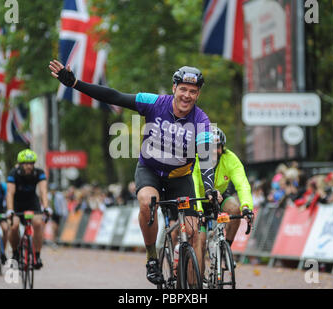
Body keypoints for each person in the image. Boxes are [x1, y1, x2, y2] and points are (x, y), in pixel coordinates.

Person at [49, 60, 219, 285]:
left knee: (193, 231)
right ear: (174, 88)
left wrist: (209, 189)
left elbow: (207, 159)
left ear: (198, 95)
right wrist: (76, 84)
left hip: (180, 178)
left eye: (193, 92)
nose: (187, 95)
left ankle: (188, 280)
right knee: (148, 203)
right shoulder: (155, 102)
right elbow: (115, 96)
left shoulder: (202, 121)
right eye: (183, 89)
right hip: (150, 171)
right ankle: (151, 258)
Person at [192, 127, 254, 277]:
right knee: (199, 240)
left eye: (217, 147)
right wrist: (199, 211)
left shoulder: (230, 158)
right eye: (210, 148)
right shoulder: (194, 159)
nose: (214, 151)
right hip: (198, 198)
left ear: (222, 148)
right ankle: (199, 280)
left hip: (220, 196)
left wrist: (247, 207)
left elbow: (242, 184)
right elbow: (192, 184)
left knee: (234, 208)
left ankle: (225, 249)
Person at [7, 149, 51, 269]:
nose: (29, 166)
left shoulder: (39, 172)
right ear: (20, 164)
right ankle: (15, 253)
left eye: (31, 163)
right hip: (17, 203)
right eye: (26, 163)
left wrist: (46, 207)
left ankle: (37, 255)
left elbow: (43, 191)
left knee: (37, 223)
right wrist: (10, 210)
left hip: (32, 202)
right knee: (14, 226)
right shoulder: (13, 173)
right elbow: (10, 193)